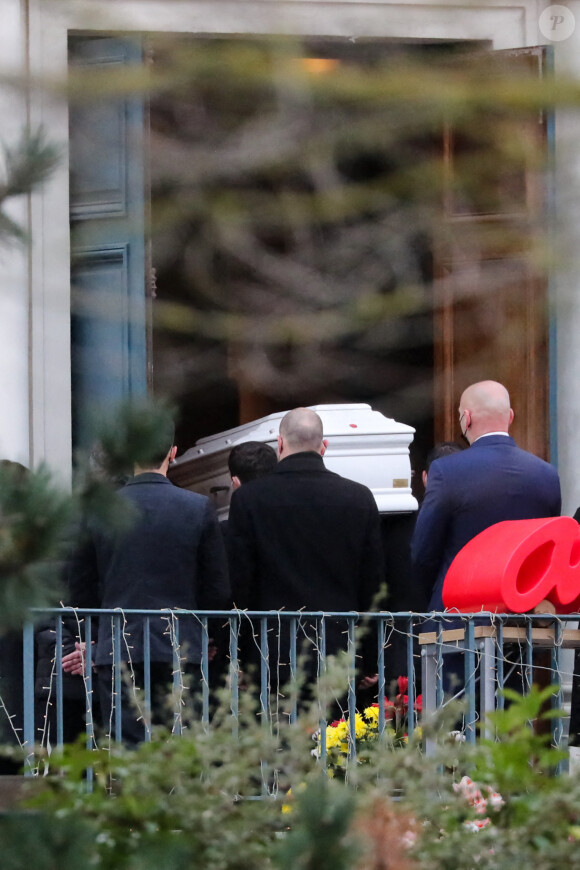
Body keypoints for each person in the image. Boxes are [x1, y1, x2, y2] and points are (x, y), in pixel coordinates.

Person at [65, 413, 230, 744]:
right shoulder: (198, 507)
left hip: (118, 643)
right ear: (173, 452)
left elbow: (79, 585)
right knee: (180, 743)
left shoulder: (102, 510)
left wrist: (98, 635)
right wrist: (206, 633)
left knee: (127, 744)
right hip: (182, 641)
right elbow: (217, 589)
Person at [227, 407, 384, 714]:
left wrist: (242, 655)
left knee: (275, 747)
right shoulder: (359, 497)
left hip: (272, 648)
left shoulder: (249, 499)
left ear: (280, 444)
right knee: (337, 745)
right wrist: (369, 656)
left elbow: (240, 582)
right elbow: (373, 582)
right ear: (323, 446)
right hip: (340, 645)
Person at [411, 380, 561, 613]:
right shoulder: (547, 475)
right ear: (510, 416)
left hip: (459, 618)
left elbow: (423, 553)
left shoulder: (445, 471)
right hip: (524, 621)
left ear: (466, 418)